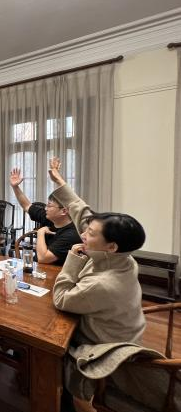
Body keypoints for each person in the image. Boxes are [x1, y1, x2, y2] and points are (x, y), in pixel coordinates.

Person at [48, 157, 146, 412]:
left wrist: (72, 259)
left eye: (90, 234)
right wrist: (59, 181)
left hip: (105, 346)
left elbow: (61, 298)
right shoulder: (122, 256)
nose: (83, 234)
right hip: (127, 329)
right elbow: (83, 213)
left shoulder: (105, 283)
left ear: (111, 246)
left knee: (54, 348)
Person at [9, 167, 82, 265]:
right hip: (38, 268)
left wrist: (40, 232)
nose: (45, 208)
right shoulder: (50, 217)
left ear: (64, 211)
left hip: (55, 272)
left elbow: (43, 258)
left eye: (49, 206)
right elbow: (27, 206)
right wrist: (15, 187)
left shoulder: (71, 234)